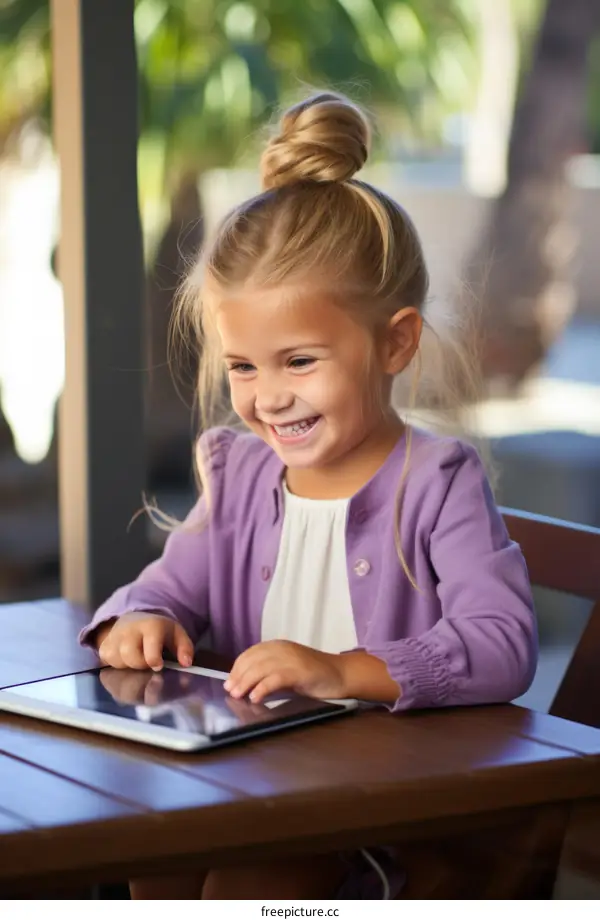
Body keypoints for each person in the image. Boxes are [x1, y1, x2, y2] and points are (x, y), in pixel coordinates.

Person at [80, 92, 538, 900]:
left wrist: (346, 670)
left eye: (299, 362)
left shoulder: (436, 482)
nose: (268, 398)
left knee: (251, 881)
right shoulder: (240, 471)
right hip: (244, 789)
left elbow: (503, 642)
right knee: (152, 864)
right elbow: (171, 585)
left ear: (395, 341)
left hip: (369, 830)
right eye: (245, 368)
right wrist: (141, 617)